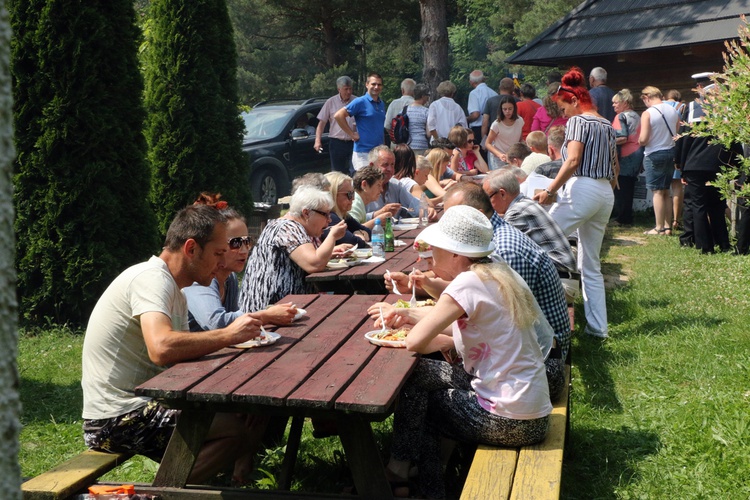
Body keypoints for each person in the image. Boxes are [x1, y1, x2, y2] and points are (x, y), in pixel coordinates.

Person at [82, 204, 268, 485]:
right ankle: (161, 491)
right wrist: (229, 335)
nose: (222, 262)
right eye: (218, 253)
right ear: (191, 249)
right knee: (235, 431)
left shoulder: (175, 290)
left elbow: (183, 360)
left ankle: (192, 482)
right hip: (115, 418)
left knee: (244, 420)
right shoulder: (152, 279)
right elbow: (162, 348)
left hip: (137, 405)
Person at [379, 205, 552, 500]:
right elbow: (463, 334)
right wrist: (409, 318)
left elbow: (415, 343)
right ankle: (405, 472)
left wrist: (410, 324)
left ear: (456, 253)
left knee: (428, 404)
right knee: (419, 377)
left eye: (437, 246)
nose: (431, 251)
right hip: (532, 410)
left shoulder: (467, 283)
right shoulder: (497, 272)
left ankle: (427, 488)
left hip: (511, 421)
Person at [533, 67, 618, 339]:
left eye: (563, 107)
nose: (562, 114)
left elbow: (572, 160)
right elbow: (614, 165)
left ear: (573, 100)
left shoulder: (578, 121)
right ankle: (598, 329)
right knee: (590, 265)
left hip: (583, 187)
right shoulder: (606, 123)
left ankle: (539, 320)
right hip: (605, 192)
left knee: (535, 240)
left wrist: (550, 189)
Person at [184, 194, 297, 332]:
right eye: (235, 243)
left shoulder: (229, 277)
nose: (244, 250)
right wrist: (266, 315)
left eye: (247, 241)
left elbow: (234, 326)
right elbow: (216, 323)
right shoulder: (200, 278)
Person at [239, 187, 348, 313]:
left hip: (281, 307)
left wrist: (330, 253)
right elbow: (314, 264)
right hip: (269, 312)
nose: (329, 220)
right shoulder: (287, 227)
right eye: (325, 214)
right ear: (306, 213)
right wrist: (333, 236)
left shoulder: (284, 225)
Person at [676, 82, 742, 253]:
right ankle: (724, 243)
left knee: (698, 206)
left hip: (695, 165)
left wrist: (681, 166)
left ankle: (705, 246)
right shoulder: (728, 110)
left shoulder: (691, 108)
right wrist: (736, 163)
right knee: (717, 206)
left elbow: (684, 140)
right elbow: (734, 141)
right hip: (719, 164)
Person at [639, 86, 681, 235]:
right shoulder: (673, 110)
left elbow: (643, 139)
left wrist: (639, 140)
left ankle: (658, 227)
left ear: (647, 97)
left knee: (657, 191)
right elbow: (676, 132)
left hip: (654, 153)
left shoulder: (648, 113)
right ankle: (668, 227)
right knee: (666, 190)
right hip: (670, 152)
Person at [364, 145, 436, 221]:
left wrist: (427, 211)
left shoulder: (396, 185)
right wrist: (377, 214)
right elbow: (355, 220)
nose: (390, 169)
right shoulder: (362, 187)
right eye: (385, 165)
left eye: (392, 165)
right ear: (372, 166)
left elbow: (415, 206)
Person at [335, 72, 386, 172]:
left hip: (378, 153)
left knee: (377, 184)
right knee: (365, 183)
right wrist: (352, 134)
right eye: (373, 84)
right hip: (363, 153)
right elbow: (338, 116)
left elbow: (379, 127)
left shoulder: (381, 104)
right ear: (367, 84)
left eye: (379, 84)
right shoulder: (360, 101)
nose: (376, 87)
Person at [610, 89, 643, 225]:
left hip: (625, 155)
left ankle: (622, 218)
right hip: (637, 153)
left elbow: (622, 137)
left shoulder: (620, 116)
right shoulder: (636, 115)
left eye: (616, 102)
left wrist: (607, 142)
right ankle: (626, 216)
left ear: (624, 103)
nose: (613, 105)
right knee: (628, 187)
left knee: (622, 187)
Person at [315, 76, 357, 174]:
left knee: (355, 171)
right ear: (339, 89)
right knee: (337, 173)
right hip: (337, 143)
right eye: (346, 89)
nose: (349, 92)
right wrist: (317, 141)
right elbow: (321, 123)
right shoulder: (330, 102)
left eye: (350, 89)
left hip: (354, 142)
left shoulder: (357, 101)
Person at [322, 171, 372, 247]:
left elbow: (370, 232)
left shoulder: (344, 215)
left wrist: (358, 232)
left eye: (353, 193)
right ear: (333, 195)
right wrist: (358, 236)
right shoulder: (330, 217)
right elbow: (353, 242)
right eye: (349, 194)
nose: (353, 198)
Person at [485, 95, 523, 170]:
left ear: (514, 109)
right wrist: (499, 154)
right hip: (499, 158)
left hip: (513, 157)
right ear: (501, 110)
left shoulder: (520, 121)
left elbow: (520, 139)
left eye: (510, 109)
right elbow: (487, 143)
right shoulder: (497, 124)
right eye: (504, 109)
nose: (507, 112)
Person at [349, 164, 388, 229]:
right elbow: (352, 230)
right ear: (364, 185)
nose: (381, 190)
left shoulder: (359, 201)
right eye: (378, 185)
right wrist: (377, 221)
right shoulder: (355, 202)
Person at [481, 77, 517, 145]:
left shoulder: (490, 101)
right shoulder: (517, 102)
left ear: (500, 87)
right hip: (513, 140)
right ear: (512, 88)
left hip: (494, 140)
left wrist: (484, 141)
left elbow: (485, 123)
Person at [466, 70, 498, 144]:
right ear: (483, 79)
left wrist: (466, 119)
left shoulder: (474, 93)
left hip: (478, 128)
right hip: (492, 128)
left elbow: (475, 114)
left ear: (471, 82)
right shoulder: (494, 93)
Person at [406, 83, 431, 154]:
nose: (428, 98)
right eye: (427, 95)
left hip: (408, 145)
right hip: (422, 145)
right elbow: (428, 133)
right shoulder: (426, 111)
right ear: (423, 96)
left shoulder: (405, 110)